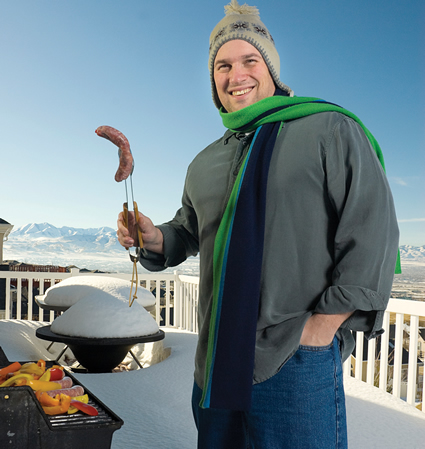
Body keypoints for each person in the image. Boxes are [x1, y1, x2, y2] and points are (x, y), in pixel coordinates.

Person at [117, 1, 400, 447]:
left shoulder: (330, 129)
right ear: (213, 79)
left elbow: (373, 234)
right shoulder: (204, 161)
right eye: (223, 65)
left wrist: (319, 330)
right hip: (215, 362)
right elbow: (189, 232)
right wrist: (154, 238)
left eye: (250, 60)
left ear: (270, 67)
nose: (237, 75)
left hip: (293, 360)